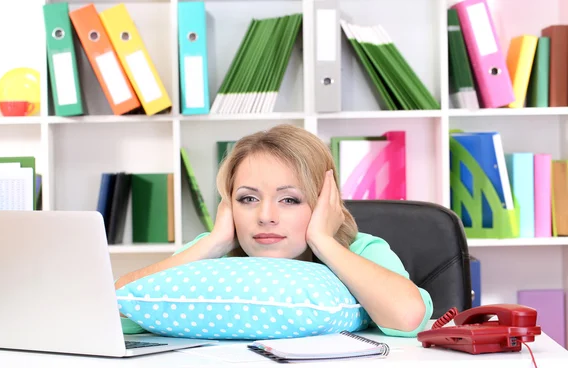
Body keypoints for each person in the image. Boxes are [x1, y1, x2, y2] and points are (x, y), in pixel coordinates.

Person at [114, 124, 433, 337]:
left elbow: (408, 317)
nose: (266, 216)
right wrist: (212, 244)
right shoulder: (211, 250)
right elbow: (117, 306)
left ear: (325, 202)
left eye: (290, 199)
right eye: (247, 198)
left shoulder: (362, 250)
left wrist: (323, 241)